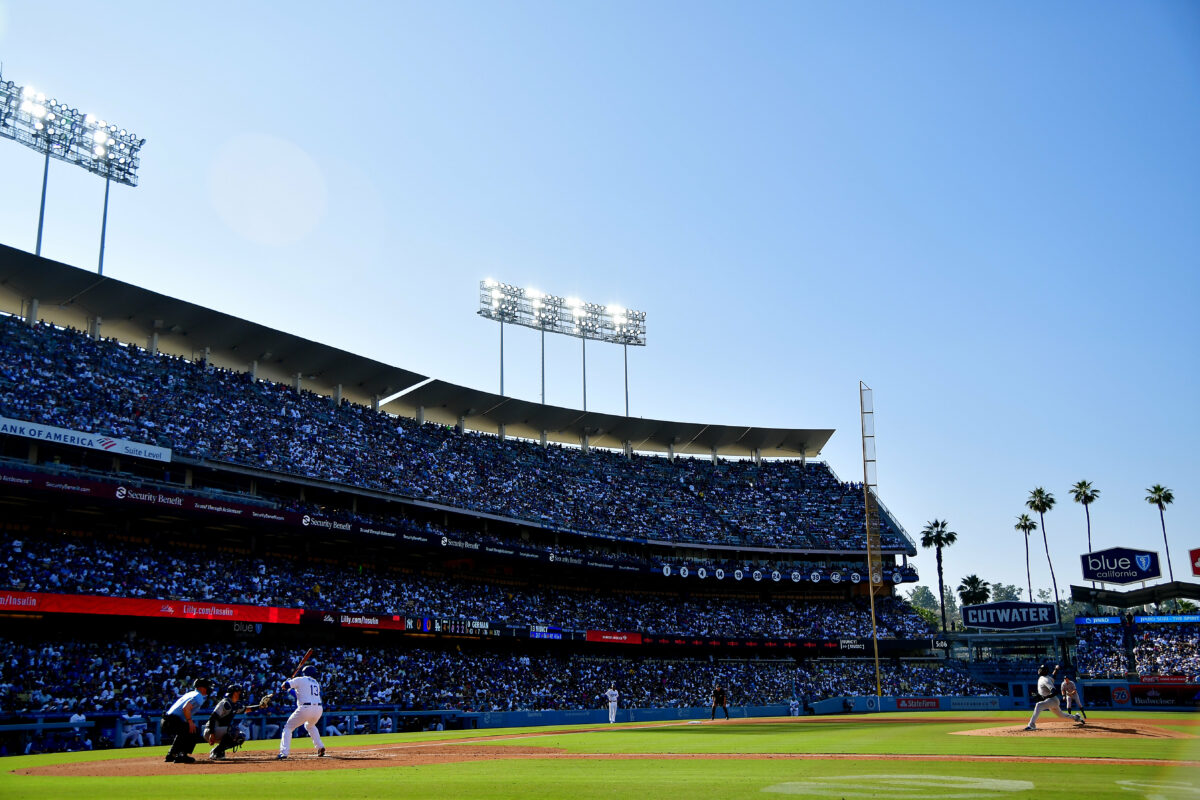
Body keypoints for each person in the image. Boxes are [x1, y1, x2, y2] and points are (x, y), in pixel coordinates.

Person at [277, 665, 327, 759]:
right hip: (318, 709)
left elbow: (285, 685)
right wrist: (289, 688)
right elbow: (298, 694)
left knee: (288, 728)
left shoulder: (300, 679)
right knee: (310, 726)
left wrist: (286, 683)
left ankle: (284, 753)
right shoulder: (315, 683)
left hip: (305, 708)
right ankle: (320, 746)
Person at [162, 677, 213, 763]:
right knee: (193, 730)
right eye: (207, 686)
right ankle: (182, 755)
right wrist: (190, 722)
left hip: (166, 720)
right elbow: (186, 708)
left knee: (184, 730)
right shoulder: (198, 696)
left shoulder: (191, 694)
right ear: (201, 687)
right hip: (172, 720)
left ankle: (171, 754)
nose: (209, 688)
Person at [1024, 664, 1082, 731]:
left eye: (1041, 669)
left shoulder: (1045, 680)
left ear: (1044, 671)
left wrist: (1044, 697)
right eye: (1040, 669)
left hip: (1052, 700)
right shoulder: (1047, 678)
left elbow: (1055, 692)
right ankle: (1076, 717)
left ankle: (1031, 725)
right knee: (1061, 715)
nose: (1039, 670)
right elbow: (1053, 677)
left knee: (1038, 705)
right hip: (1051, 701)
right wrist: (1056, 669)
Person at [205, 684, 251, 760]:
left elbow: (246, 709)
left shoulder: (234, 704)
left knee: (241, 736)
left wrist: (260, 706)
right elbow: (212, 718)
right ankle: (216, 752)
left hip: (221, 731)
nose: (240, 693)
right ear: (234, 693)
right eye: (239, 692)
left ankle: (218, 751)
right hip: (211, 730)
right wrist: (212, 734)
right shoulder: (225, 703)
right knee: (234, 731)